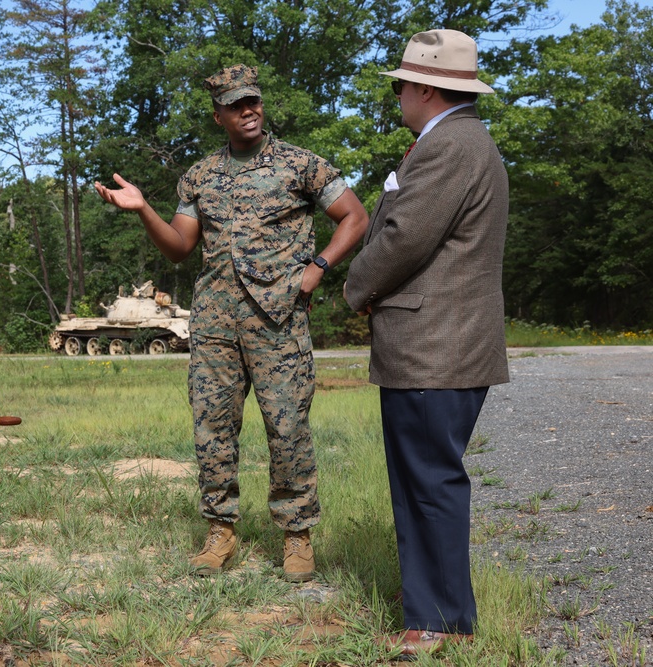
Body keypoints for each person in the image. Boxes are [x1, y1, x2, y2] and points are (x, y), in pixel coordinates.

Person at [95, 65, 368, 582]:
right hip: (216, 324)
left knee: (287, 429)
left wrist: (317, 269)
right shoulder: (199, 176)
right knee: (213, 431)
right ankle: (220, 530)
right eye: (236, 104)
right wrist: (141, 208)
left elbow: (355, 217)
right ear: (218, 113)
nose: (249, 111)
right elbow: (179, 247)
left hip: (278, 323)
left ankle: (297, 536)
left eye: (254, 101)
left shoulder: (301, 165)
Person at [342, 30, 509, 656]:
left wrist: (353, 286)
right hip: (443, 344)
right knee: (424, 481)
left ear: (427, 88)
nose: (398, 95)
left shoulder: (451, 146)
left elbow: (404, 238)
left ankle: (439, 621)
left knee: (429, 484)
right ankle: (438, 613)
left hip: (436, 346)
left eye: (402, 84)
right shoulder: (459, 142)